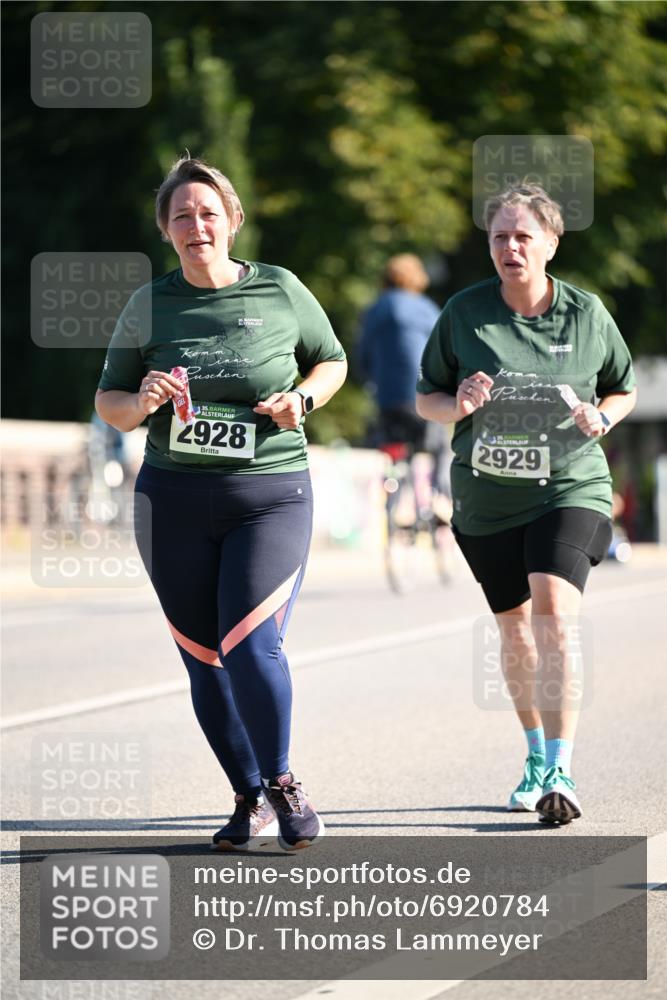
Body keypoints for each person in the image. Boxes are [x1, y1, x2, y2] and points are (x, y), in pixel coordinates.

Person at [95, 155, 347, 850]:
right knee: (202, 655)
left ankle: (283, 782)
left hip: (269, 494)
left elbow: (332, 360)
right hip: (171, 500)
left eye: (209, 213)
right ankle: (247, 797)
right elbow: (108, 403)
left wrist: (300, 399)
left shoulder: (280, 290)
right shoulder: (150, 303)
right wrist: (139, 401)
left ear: (233, 220)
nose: (196, 225)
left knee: (250, 643)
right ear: (166, 231)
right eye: (182, 216)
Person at [416, 183, 636, 824]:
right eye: (498, 237)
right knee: (514, 629)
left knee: (554, 612)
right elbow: (426, 395)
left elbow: (621, 386)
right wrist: (456, 404)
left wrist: (602, 415)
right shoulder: (464, 312)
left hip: (570, 483)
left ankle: (563, 768)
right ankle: (536, 755)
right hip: (487, 495)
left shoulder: (586, 314)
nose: (509, 247)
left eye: (522, 236)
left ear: (550, 243)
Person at [359, 254, 451, 502]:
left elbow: (363, 357)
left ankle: (393, 503)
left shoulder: (375, 309)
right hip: (423, 396)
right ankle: (438, 499)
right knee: (441, 449)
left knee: (395, 453)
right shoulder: (427, 308)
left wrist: (372, 382)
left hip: (388, 400)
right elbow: (444, 351)